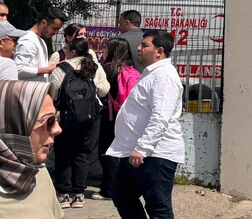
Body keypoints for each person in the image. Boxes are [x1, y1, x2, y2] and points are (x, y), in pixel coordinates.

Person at [107, 30, 184, 218]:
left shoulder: (164, 76)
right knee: (121, 194)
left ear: (159, 51)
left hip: (154, 154)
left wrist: (143, 148)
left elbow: (160, 117)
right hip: (136, 151)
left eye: (145, 45)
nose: (139, 48)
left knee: (158, 207)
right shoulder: (152, 73)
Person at [48, 37, 109, 209]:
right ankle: (79, 194)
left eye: (67, 49)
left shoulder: (61, 68)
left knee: (63, 154)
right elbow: (104, 90)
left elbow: (53, 93)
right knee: (83, 154)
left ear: (73, 51)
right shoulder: (94, 67)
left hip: (65, 118)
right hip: (89, 119)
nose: (65, 51)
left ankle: (64, 194)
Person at [0, 80, 64, 218]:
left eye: (56, 118)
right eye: (49, 121)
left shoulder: (38, 173)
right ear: (15, 125)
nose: (58, 129)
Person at [97, 38, 140, 201]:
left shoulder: (107, 69)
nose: (103, 51)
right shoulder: (131, 68)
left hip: (110, 116)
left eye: (106, 48)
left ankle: (108, 190)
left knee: (107, 151)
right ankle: (124, 186)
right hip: (127, 115)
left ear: (112, 50)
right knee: (122, 151)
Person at [14, 8, 67, 81]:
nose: (56, 32)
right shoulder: (28, 40)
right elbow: (18, 69)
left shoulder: (39, 40)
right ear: (43, 23)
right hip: (28, 88)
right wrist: (47, 70)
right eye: (55, 28)